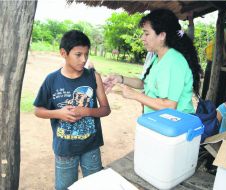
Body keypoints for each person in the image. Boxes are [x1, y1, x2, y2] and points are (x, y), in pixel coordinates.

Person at [33, 30, 111, 190]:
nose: (84, 60)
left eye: (87, 54)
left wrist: (86, 111)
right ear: (63, 53)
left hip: (91, 146)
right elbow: (38, 110)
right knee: (65, 187)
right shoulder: (52, 80)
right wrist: (58, 113)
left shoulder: (92, 77)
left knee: (95, 185)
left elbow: (105, 109)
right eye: (78, 54)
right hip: (64, 149)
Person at [104, 8, 202, 114]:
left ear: (162, 35)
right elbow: (144, 83)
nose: (142, 38)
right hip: (159, 123)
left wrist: (135, 95)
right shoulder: (158, 57)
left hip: (175, 126)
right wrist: (119, 78)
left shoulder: (174, 62)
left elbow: (169, 106)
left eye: (146, 34)